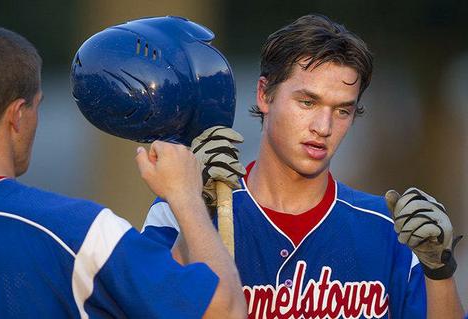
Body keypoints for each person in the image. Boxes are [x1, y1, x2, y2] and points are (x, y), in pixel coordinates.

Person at [143, 14, 464, 318]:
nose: (323, 126)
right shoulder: (183, 205)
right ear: (264, 94)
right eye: (307, 102)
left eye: (342, 110)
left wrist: (439, 271)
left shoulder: (390, 229)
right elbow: (149, 306)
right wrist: (197, 214)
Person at [0, 26, 246, 318]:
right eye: (38, 106)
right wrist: (187, 199)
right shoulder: (76, 231)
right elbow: (224, 312)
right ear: (18, 115)